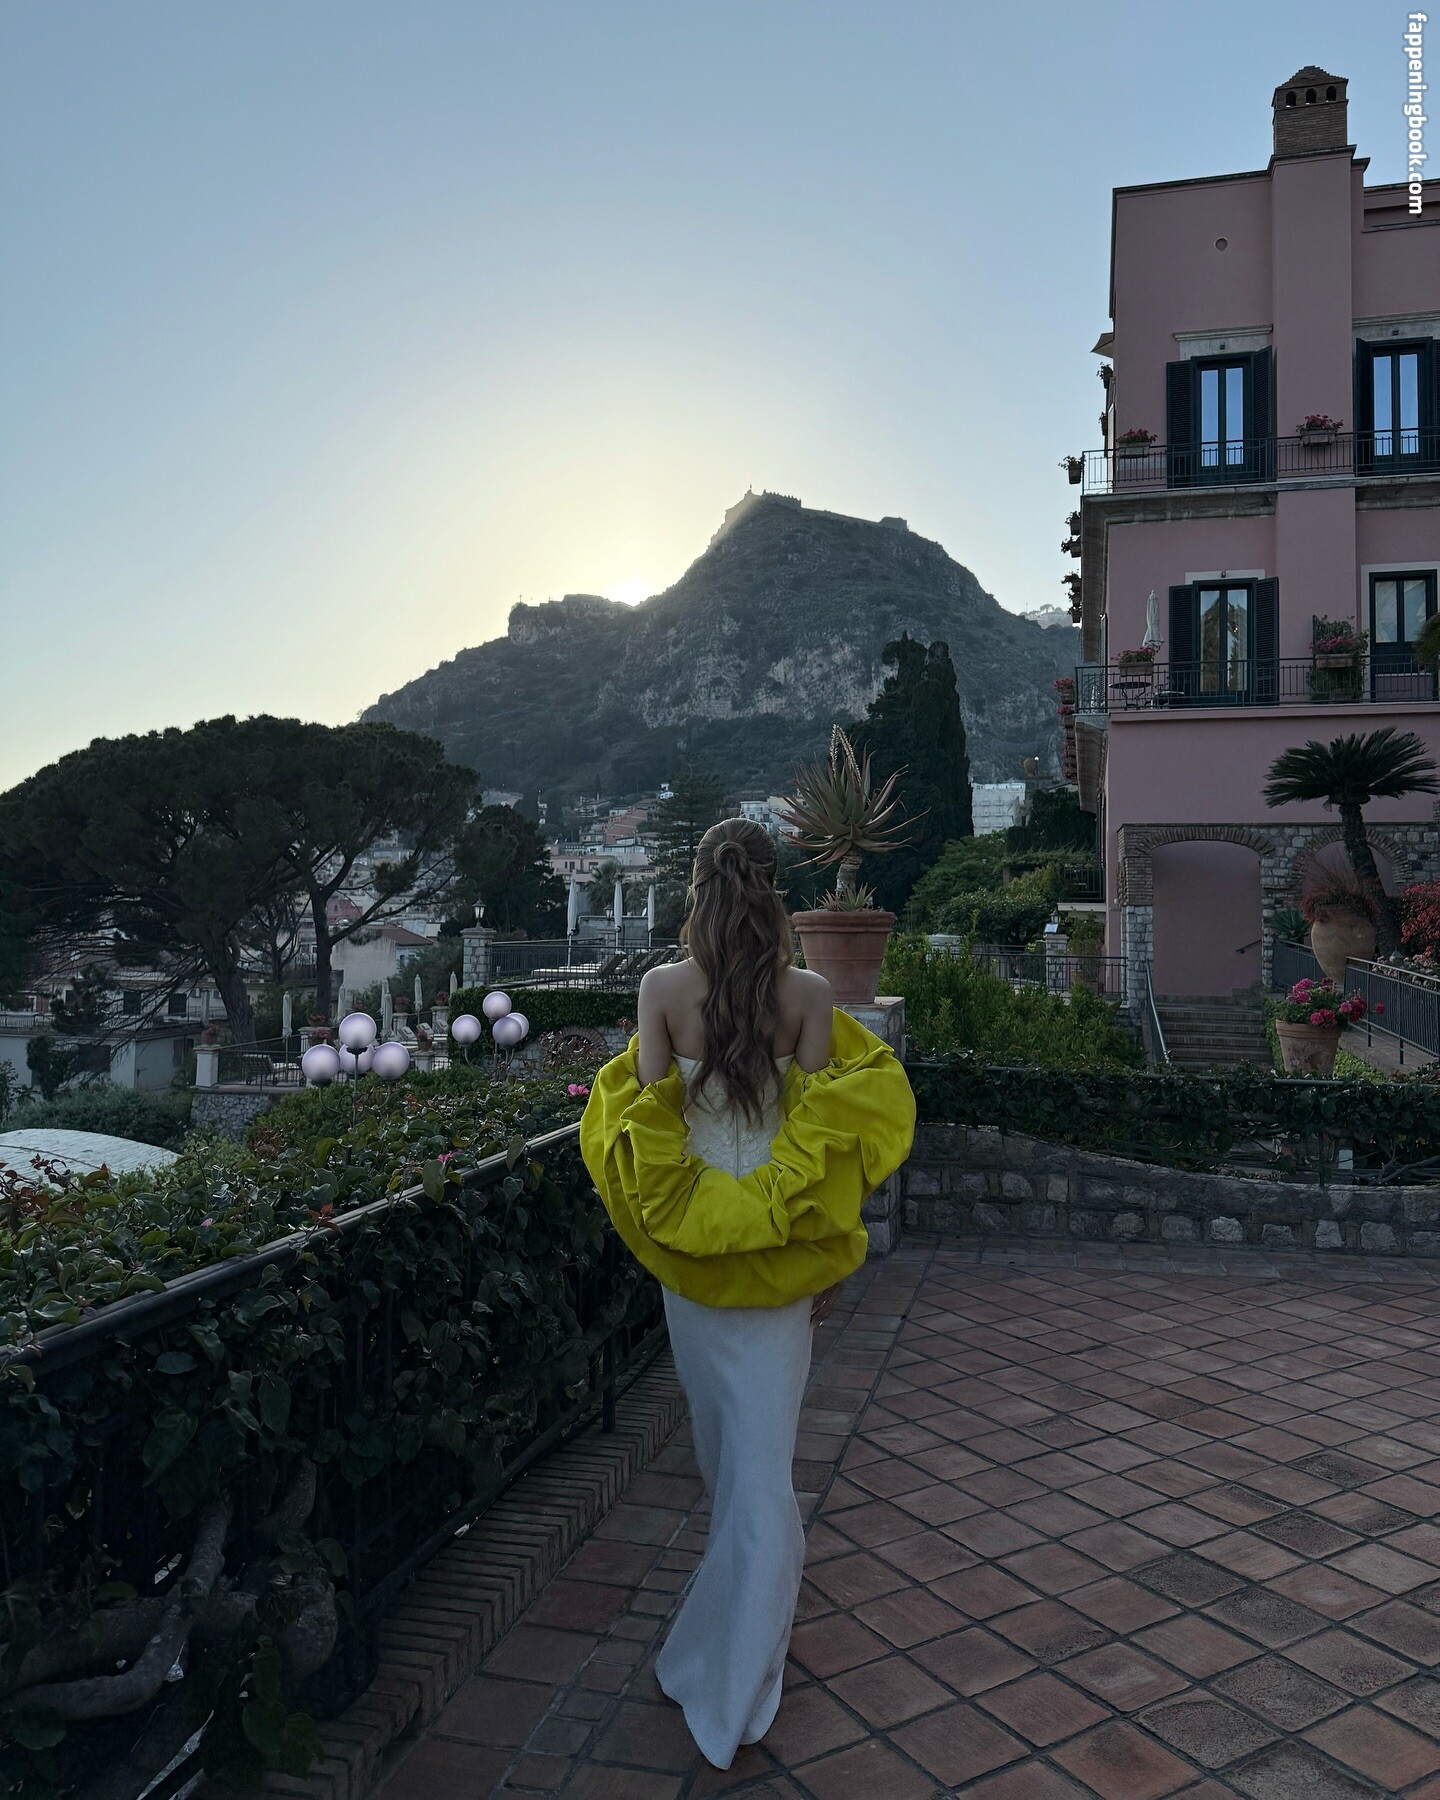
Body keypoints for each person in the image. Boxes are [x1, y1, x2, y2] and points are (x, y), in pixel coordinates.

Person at [579, 816, 915, 1769]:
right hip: (778, 1258)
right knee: (763, 1469)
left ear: (697, 889)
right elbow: (817, 1149)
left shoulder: (659, 991)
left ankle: (724, 1662)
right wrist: (828, 1260)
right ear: (775, 890)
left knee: (728, 1465)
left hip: (694, 1261)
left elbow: (649, 1138)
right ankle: (738, 1665)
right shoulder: (809, 996)